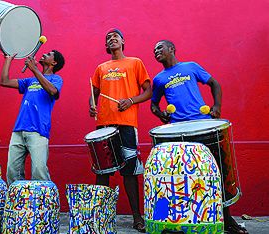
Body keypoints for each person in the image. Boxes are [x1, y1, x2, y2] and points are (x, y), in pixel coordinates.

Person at [150, 40, 248, 234]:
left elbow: (214, 84)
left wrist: (217, 106)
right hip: (176, 131)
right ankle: (184, 220)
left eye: (160, 47)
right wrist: (161, 114)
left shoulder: (191, 67)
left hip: (202, 126)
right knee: (180, 177)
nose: (156, 51)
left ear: (172, 49)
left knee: (217, 172)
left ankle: (226, 218)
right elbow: (153, 104)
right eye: (154, 50)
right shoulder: (159, 79)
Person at [89, 28, 152, 233]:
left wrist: (131, 101)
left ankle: (137, 217)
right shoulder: (101, 67)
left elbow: (148, 91)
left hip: (126, 124)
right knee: (103, 171)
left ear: (123, 41)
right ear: (106, 46)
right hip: (104, 126)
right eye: (108, 38)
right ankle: (101, 216)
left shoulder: (135, 62)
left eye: (115, 36)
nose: (111, 38)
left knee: (130, 171)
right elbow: (94, 92)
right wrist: (92, 105)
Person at [0, 50, 65, 185]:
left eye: (49, 54)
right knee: (12, 172)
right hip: (19, 129)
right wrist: (8, 60)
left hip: (38, 130)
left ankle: (44, 205)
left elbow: (53, 91)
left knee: (39, 171)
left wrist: (34, 69)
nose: (44, 54)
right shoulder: (29, 81)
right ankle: (17, 204)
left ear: (54, 62)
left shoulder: (56, 79)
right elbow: (4, 81)